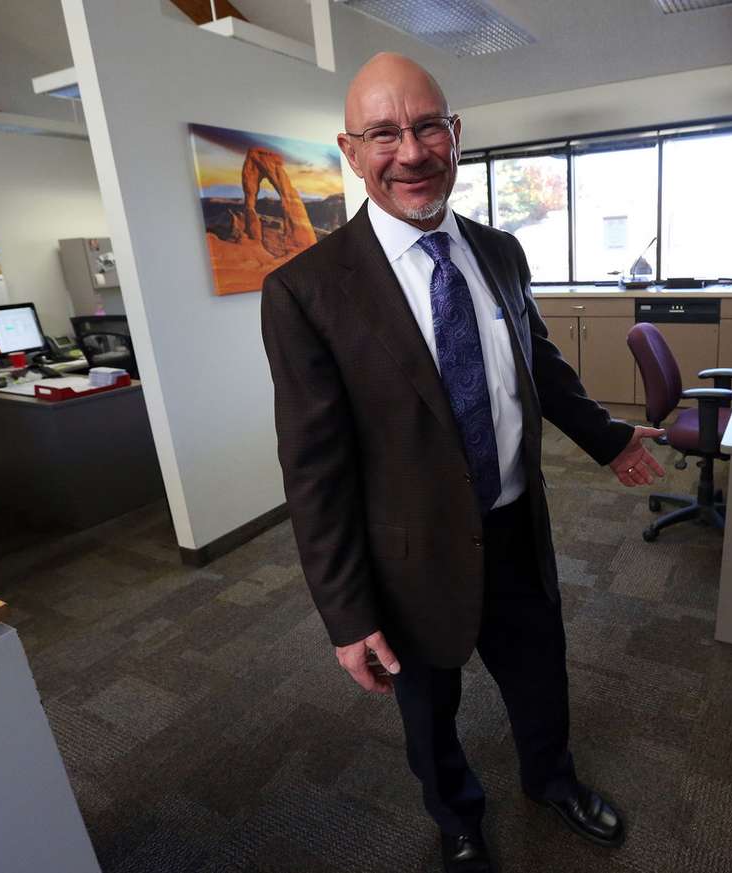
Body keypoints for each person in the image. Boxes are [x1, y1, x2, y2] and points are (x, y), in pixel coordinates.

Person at [261, 52, 665, 873]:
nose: (410, 152)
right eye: (384, 133)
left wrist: (609, 437)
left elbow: (538, 364)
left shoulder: (501, 252)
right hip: (409, 555)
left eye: (425, 128)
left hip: (517, 528)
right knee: (428, 709)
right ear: (350, 148)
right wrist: (346, 615)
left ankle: (553, 781)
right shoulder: (306, 291)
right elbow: (314, 469)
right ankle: (457, 820)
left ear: (454, 134)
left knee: (540, 676)